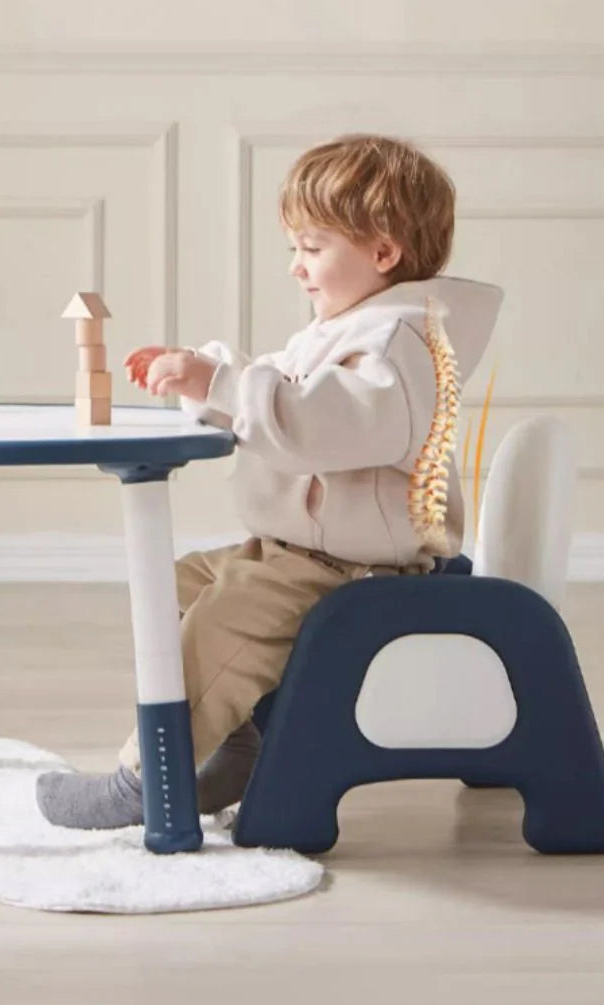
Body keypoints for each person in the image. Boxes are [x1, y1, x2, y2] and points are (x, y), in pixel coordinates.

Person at [37, 133, 503, 829]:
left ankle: (150, 779)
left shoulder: (400, 343)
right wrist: (205, 374)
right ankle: (238, 745)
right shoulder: (349, 327)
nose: (296, 266)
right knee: (167, 588)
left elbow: (319, 421)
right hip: (300, 553)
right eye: (295, 247)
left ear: (383, 252)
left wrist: (221, 383)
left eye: (312, 248)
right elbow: (280, 384)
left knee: (220, 624)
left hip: (350, 570)